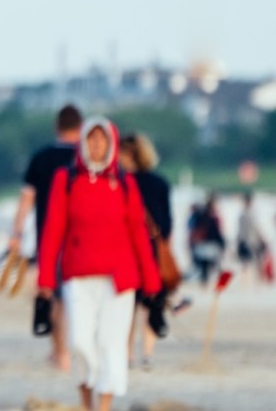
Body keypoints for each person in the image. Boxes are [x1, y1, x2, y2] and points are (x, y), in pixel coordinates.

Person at [37, 118, 163, 411]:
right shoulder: (65, 179)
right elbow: (52, 229)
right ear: (82, 142)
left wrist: (152, 279)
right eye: (91, 139)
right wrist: (45, 277)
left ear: (112, 143)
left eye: (102, 139)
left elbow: (138, 232)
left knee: (112, 344)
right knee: (80, 341)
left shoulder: (125, 182)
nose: (96, 144)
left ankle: (102, 406)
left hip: (119, 277)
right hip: (77, 275)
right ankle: (87, 403)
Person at [16, 104, 83, 370]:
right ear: (81, 127)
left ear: (57, 126)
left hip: (50, 237)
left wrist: (16, 234)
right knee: (78, 296)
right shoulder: (86, 157)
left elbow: (27, 199)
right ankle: (78, 350)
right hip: (82, 238)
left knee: (56, 297)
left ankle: (61, 353)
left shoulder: (41, 157)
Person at [118, 133, 172, 369]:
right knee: (154, 304)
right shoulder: (160, 183)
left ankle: (127, 353)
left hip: (127, 250)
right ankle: (147, 354)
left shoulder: (119, 182)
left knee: (128, 304)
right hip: (154, 251)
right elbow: (168, 223)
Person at [187, 194, 226, 287]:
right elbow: (216, 232)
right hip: (210, 244)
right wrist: (222, 243)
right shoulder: (213, 218)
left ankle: (204, 284)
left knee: (204, 266)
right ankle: (210, 283)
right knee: (213, 265)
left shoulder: (199, 215)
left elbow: (193, 229)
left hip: (201, 244)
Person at [235, 190, 269, 284]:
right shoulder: (252, 214)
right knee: (256, 263)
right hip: (252, 242)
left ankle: (245, 283)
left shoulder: (241, 214)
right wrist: (263, 239)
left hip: (243, 241)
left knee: (245, 264)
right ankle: (256, 283)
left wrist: (237, 242)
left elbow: (239, 231)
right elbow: (257, 228)